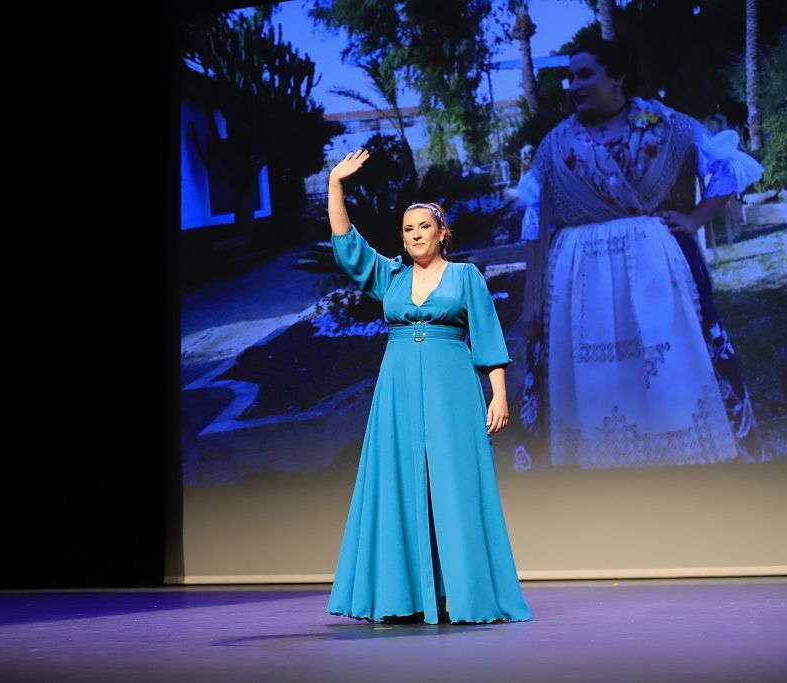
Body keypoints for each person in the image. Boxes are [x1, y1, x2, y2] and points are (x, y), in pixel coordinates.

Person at [517, 37, 768, 469]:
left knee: (666, 361)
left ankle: (679, 459)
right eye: (569, 76)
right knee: (597, 376)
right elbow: (536, 220)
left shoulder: (666, 126)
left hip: (656, 267)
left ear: (616, 78)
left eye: (585, 74)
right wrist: (531, 299)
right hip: (580, 278)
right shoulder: (555, 145)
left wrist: (694, 219)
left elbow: (727, 167)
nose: (574, 85)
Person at [324, 150, 533, 625]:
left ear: (443, 234)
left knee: (454, 485)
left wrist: (498, 393)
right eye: (407, 230)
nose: (415, 235)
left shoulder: (465, 277)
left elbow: (487, 339)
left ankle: (465, 594)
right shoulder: (391, 277)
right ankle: (404, 597)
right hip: (397, 392)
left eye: (423, 227)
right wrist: (335, 184)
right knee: (398, 481)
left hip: (451, 389)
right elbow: (347, 245)